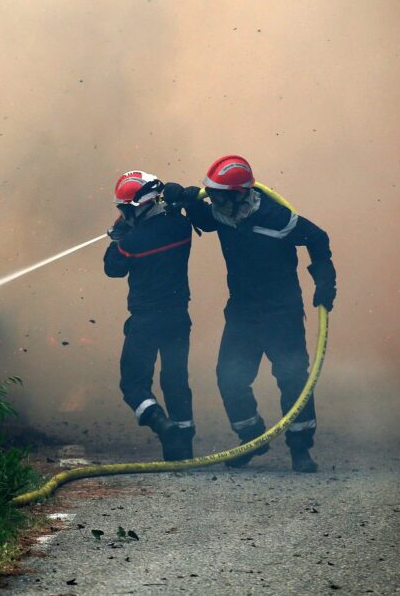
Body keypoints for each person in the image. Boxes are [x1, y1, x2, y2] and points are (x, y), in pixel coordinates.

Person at [163, 155, 336, 473]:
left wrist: (325, 281)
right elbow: (204, 218)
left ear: (240, 193)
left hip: (282, 312)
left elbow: (317, 238)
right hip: (242, 312)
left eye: (218, 194)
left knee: (292, 377)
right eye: (210, 194)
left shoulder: (276, 218)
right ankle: (252, 436)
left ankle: (300, 449)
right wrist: (183, 197)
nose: (213, 200)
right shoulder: (222, 212)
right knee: (229, 377)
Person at [103, 170, 197, 461]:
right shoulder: (181, 227)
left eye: (124, 208)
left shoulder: (134, 241)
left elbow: (113, 268)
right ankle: (183, 448)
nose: (122, 213)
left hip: (145, 321)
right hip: (178, 318)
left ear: (139, 205)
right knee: (175, 380)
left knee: (133, 383)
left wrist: (118, 237)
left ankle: (161, 424)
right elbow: (178, 218)